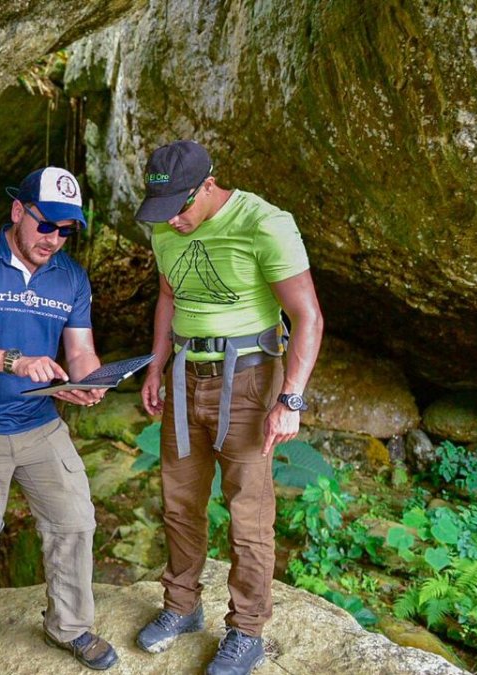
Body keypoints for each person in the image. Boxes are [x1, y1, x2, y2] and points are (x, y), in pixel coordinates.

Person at [132, 140, 323, 675]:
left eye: (179, 209)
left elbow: (308, 316)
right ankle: (182, 607)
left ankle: (246, 631)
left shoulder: (263, 223)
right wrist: (155, 365)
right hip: (183, 374)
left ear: (208, 186)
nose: (172, 222)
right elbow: (169, 297)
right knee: (179, 501)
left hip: (249, 379)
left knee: (248, 513)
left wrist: (290, 400)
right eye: (162, 212)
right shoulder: (167, 225)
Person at [0, 166, 118, 675]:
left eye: (65, 231)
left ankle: (71, 627)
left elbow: (79, 350)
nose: (54, 239)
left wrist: (89, 379)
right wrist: (13, 360)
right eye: (45, 225)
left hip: (39, 421)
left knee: (75, 521)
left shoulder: (71, 277)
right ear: (18, 211)